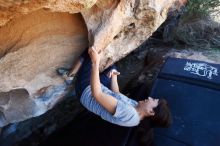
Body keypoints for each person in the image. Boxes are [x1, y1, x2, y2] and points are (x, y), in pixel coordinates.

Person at [57, 47, 172, 127]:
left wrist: (95, 62)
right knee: (112, 67)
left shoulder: (130, 115)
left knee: (93, 50)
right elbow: (116, 93)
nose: (150, 98)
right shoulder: (137, 107)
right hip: (101, 89)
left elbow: (97, 94)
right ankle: (100, 69)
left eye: (154, 101)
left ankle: (70, 75)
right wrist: (114, 76)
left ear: (151, 112)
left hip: (86, 91)